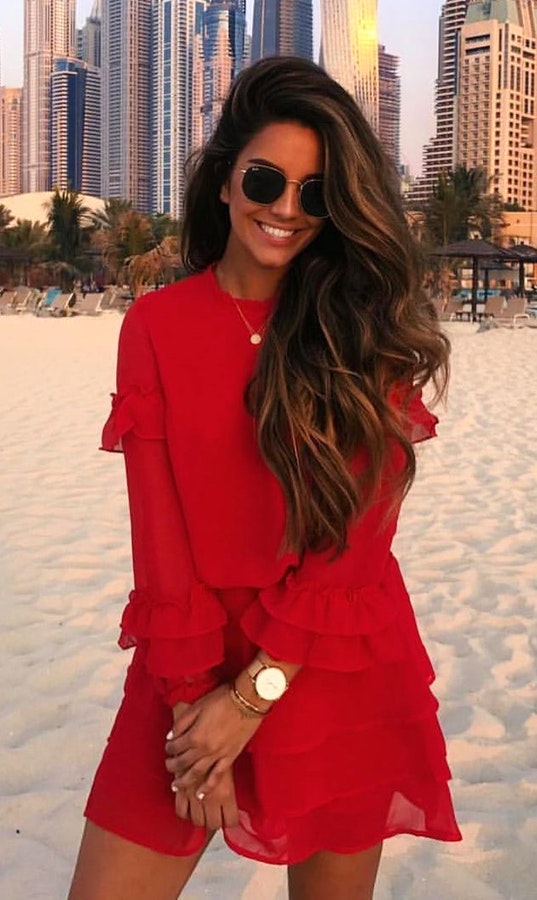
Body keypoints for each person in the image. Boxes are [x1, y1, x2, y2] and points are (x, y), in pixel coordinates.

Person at [69, 57, 461, 900]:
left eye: (316, 194)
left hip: (336, 658)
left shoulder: (365, 331)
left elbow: (356, 540)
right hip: (189, 662)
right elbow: (159, 535)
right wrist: (191, 708)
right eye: (264, 179)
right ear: (223, 182)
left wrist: (251, 699)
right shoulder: (156, 326)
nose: (285, 208)